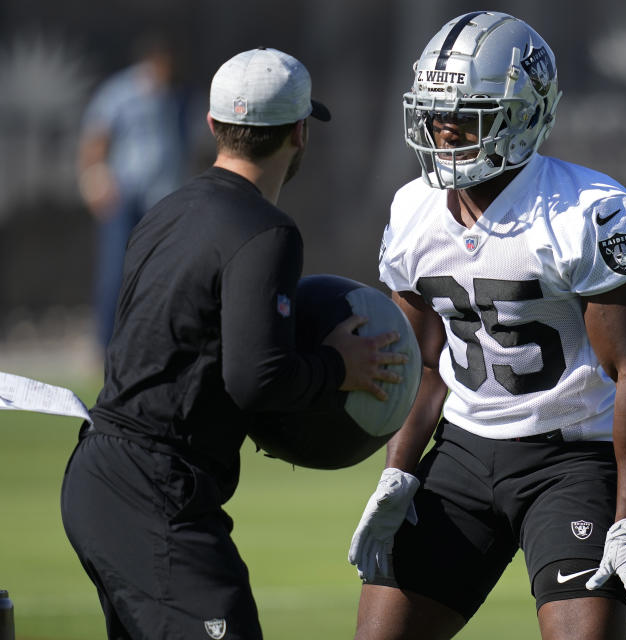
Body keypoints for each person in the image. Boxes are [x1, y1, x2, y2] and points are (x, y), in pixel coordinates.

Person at [61, 47, 406, 639]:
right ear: (300, 133)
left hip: (96, 474)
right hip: (154, 494)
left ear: (214, 126)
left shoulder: (166, 210)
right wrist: (336, 367)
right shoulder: (267, 231)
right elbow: (256, 377)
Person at [348, 11, 626, 640]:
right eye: (434, 112)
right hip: (464, 451)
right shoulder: (413, 208)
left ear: (525, 114)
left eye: (464, 112)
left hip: (571, 458)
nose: (443, 129)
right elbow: (419, 362)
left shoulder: (588, 214)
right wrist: (399, 471)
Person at [77, 34, 191, 351]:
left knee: (161, 272)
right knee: (115, 271)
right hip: (124, 195)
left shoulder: (178, 97)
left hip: (163, 198)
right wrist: (93, 179)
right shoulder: (120, 93)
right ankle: (106, 346)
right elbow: (95, 138)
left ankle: (152, 343)